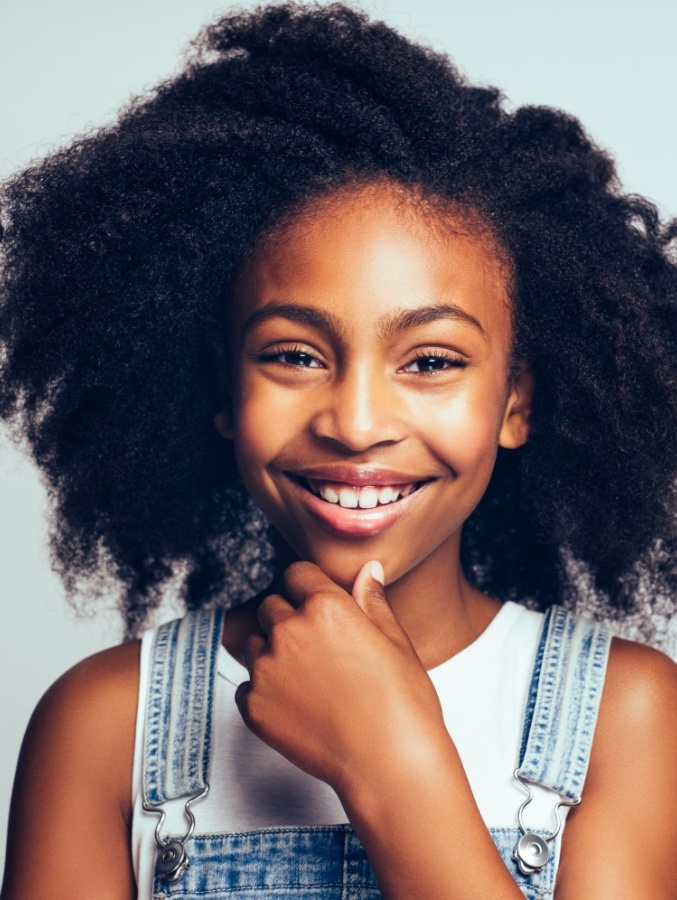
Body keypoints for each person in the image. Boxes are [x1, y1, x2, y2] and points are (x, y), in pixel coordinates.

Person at [1, 4, 677, 898]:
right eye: (293, 355)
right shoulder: (102, 727)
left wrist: (391, 762)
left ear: (517, 400)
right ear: (222, 392)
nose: (356, 424)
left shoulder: (623, 715)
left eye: (430, 361)